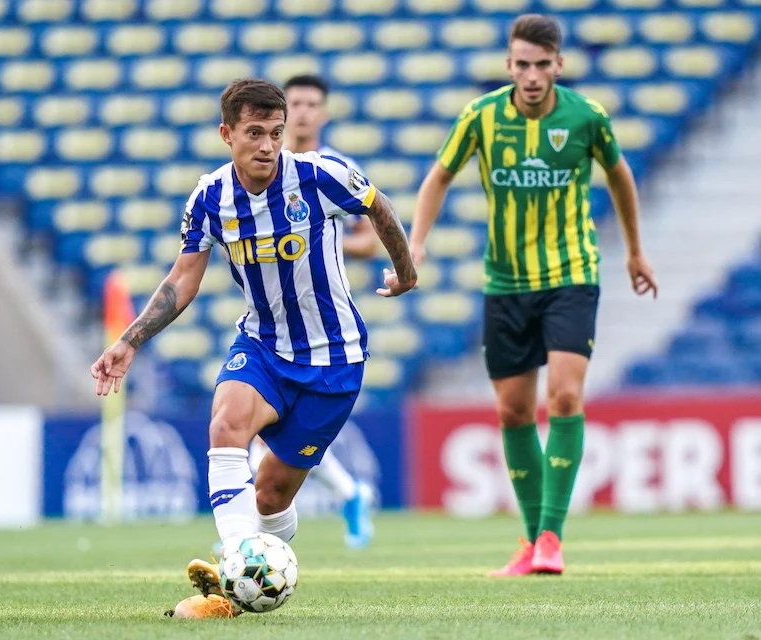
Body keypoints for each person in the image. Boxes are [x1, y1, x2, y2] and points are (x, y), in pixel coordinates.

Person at [91, 78, 417, 618]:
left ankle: (244, 567)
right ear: (227, 134)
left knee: (270, 499)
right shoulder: (210, 197)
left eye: (275, 133)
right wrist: (129, 341)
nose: (267, 145)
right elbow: (183, 279)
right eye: (254, 133)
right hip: (263, 344)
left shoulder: (319, 174)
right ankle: (239, 560)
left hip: (334, 359)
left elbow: (381, 210)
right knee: (226, 423)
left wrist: (406, 273)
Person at [408, 14, 658, 577]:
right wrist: (416, 245)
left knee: (565, 398)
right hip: (505, 282)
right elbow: (438, 177)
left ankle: (551, 536)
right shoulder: (481, 116)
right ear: (508, 66)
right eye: (522, 65)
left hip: (571, 274)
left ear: (559, 66)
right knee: (513, 410)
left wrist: (635, 251)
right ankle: (531, 542)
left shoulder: (587, 117)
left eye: (542, 65)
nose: (532, 75)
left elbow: (620, 175)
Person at [242, 74, 381, 549]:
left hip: (324, 318)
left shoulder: (332, 170)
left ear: (323, 114)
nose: (302, 112)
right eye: (294, 102)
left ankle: (251, 535)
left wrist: (323, 234)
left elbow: (372, 233)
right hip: (271, 316)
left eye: (311, 104)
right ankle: (345, 495)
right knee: (260, 426)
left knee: (272, 430)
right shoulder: (257, 172)